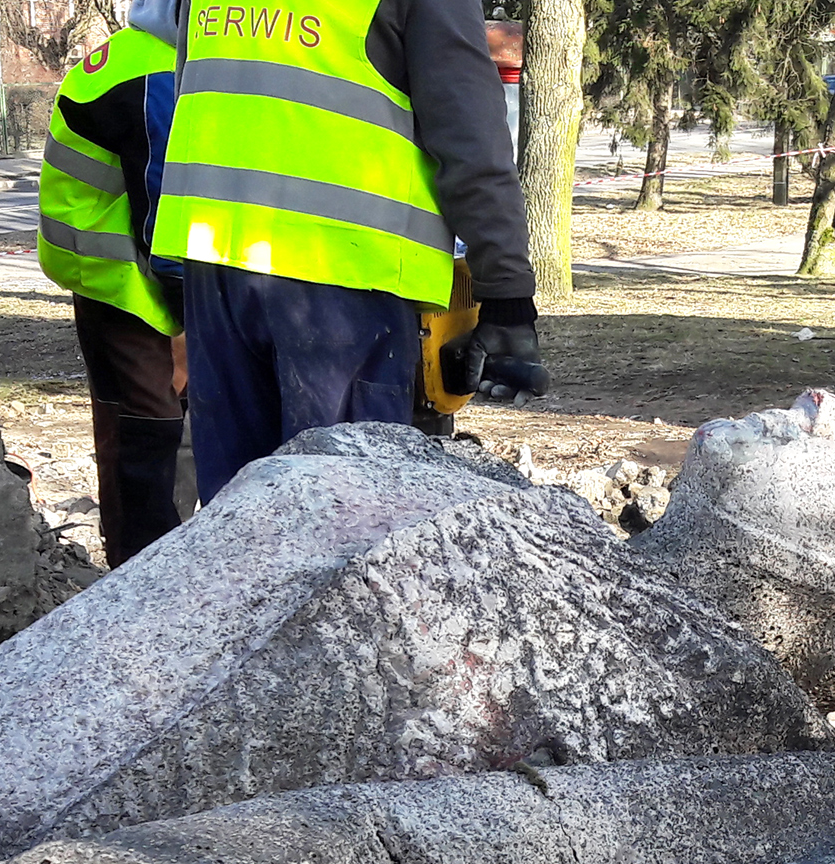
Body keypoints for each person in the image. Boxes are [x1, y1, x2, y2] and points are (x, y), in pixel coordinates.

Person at [146, 0, 548, 498]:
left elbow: (199, 88)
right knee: (343, 514)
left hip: (216, 266)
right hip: (343, 280)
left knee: (235, 518)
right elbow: (471, 141)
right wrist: (507, 299)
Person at [39, 8, 189, 564]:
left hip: (109, 261)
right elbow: (166, 211)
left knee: (135, 414)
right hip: (123, 272)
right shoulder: (160, 73)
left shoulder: (138, 51)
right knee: (146, 421)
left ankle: (141, 555)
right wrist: (192, 317)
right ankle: (143, 569)